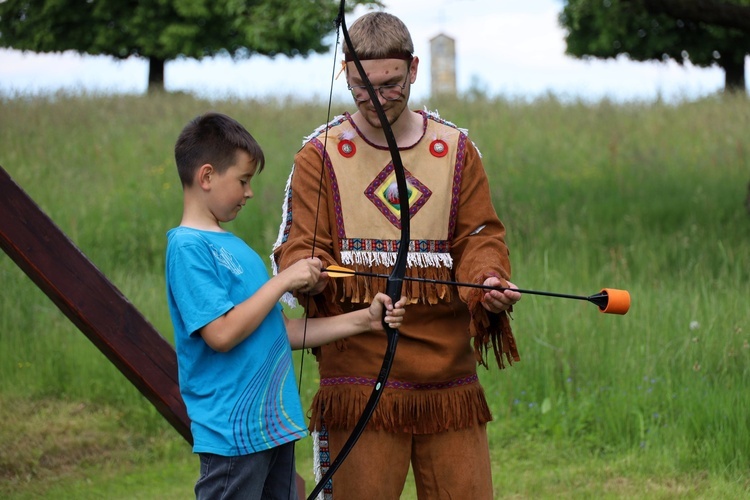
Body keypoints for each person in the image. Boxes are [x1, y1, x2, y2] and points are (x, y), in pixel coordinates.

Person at [271, 11, 522, 500]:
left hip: (447, 375)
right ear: (345, 73)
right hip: (358, 372)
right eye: (363, 88)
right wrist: (310, 271)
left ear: (413, 69)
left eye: (391, 85)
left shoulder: (455, 149)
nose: (377, 100)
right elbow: (301, 241)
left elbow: (478, 236)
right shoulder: (319, 154)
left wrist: (489, 280)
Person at [165, 111, 406, 500]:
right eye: (242, 180)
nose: (248, 192)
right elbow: (222, 334)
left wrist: (365, 319)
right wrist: (282, 281)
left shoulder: (237, 250)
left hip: (272, 426)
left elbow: (281, 331)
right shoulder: (187, 248)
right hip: (233, 436)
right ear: (206, 177)